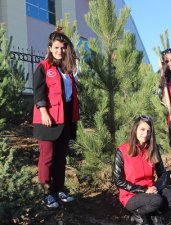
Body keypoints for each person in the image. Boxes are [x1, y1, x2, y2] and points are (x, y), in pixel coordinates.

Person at [32, 27, 79, 208]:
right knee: (47, 158)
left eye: (63, 47)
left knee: (61, 157)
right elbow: (38, 92)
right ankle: (46, 193)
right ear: (50, 48)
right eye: (56, 47)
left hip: (65, 119)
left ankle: (59, 189)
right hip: (48, 120)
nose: (60, 51)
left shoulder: (66, 70)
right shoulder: (43, 67)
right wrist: (44, 112)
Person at [113, 115, 171, 225]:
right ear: (135, 130)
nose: (145, 134)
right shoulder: (122, 151)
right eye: (142, 129)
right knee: (156, 200)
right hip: (131, 194)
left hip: (151, 190)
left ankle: (152, 215)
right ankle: (135, 217)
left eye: (149, 131)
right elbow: (118, 180)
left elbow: (163, 173)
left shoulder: (153, 149)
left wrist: (156, 187)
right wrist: (143, 191)